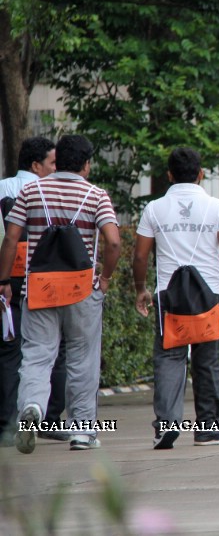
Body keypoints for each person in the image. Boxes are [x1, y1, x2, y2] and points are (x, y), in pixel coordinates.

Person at [0, 135, 120, 453]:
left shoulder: (31, 191)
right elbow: (114, 242)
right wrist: (104, 280)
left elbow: (11, 239)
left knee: (37, 354)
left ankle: (32, 410)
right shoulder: (96, 195)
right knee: (82, 357)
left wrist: (3, 280)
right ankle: (82, 432)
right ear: (85, 164)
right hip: (81, 288)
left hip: (39, 287)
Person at [133, 148, 219, 449]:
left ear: (169, 175)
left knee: (169, 359)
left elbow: (140, 255)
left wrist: (140, 289)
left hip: (169, 296)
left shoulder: (154, 209)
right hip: (208, 296)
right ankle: (208, 430)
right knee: (206, 361)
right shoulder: (218, 208)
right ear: (201, 174)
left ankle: (166, 425)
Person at [0, 138, 69, 445]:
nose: (56, 169)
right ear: (36, 165)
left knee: (8, 348)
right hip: (40, 277)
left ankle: (7, 423)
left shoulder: (2, 188)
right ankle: (47, 417)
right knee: (51, 347)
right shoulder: (46, 191)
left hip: (5, 277)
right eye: (53, 163)